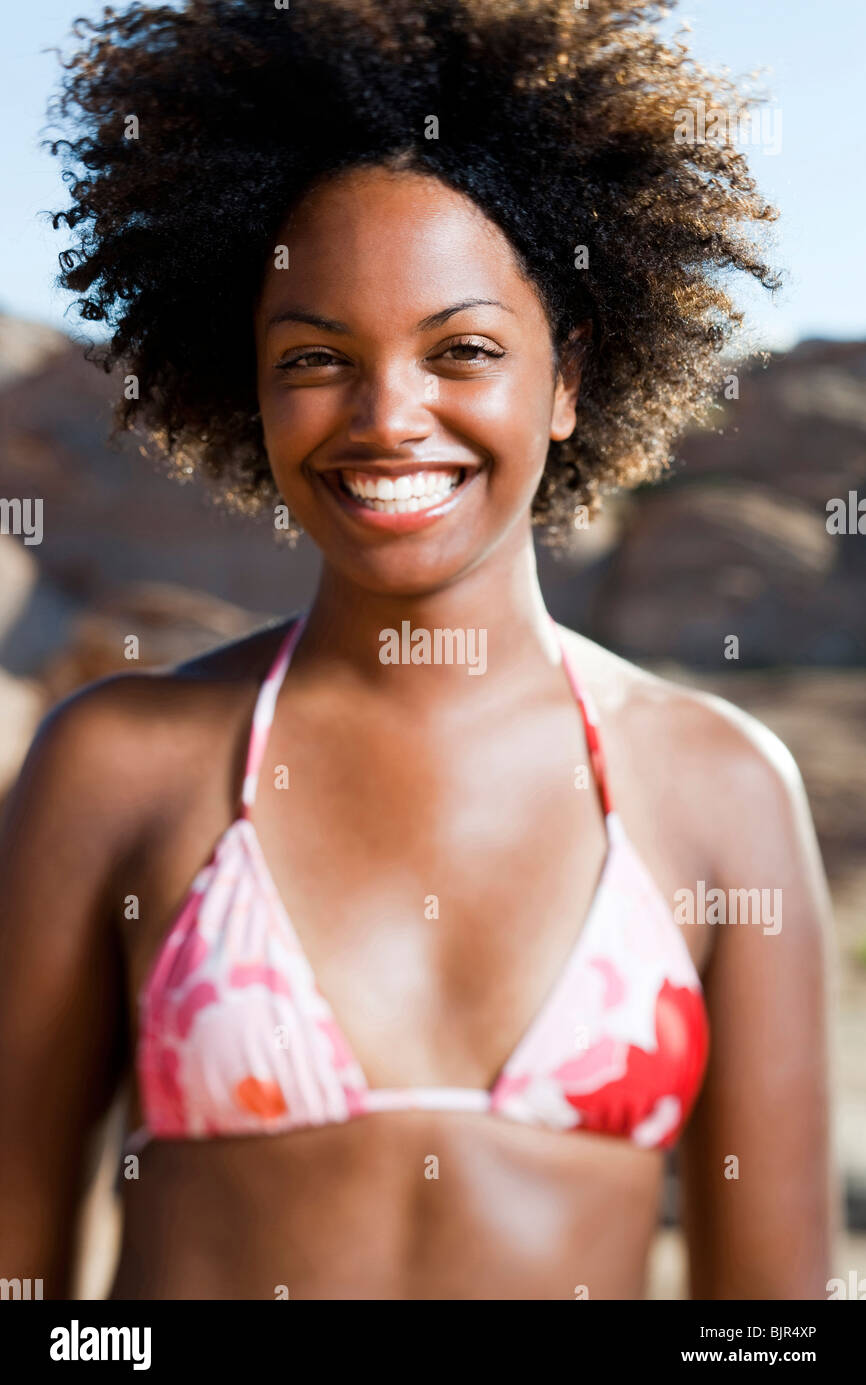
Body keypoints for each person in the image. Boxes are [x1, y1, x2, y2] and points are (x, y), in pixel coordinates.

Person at [0, 0, 834, 1300]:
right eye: (316, 357)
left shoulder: (722, 790)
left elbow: (770, 1326)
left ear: (566, 379)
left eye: (463, 351)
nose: (388, 417)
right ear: (251, 389)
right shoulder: (118, 767)